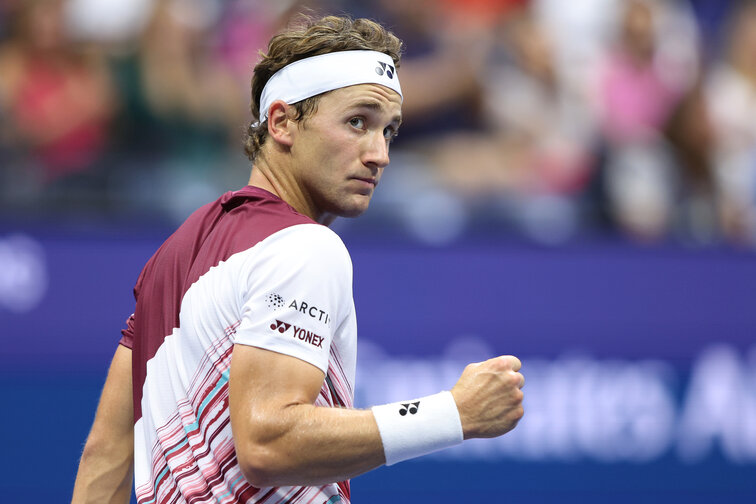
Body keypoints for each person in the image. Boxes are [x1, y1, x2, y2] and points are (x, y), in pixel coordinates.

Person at [71, 15, 525, 504]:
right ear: (282, 122)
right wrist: (452, 414)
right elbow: (267, 442)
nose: (380, 154)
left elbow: (105, 455)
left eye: (388, 131)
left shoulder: (173, 255)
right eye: (357, 122)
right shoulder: (303, 246)